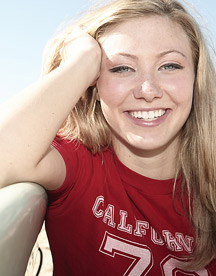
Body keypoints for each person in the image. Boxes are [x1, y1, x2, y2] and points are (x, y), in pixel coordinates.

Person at [0, 0, 216, 274]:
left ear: (197, 79)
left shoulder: (209, 188)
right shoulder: (80, 164)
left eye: (169, 66)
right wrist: (81, 61)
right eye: (121, 68)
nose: (147, 90)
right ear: (95, 85)